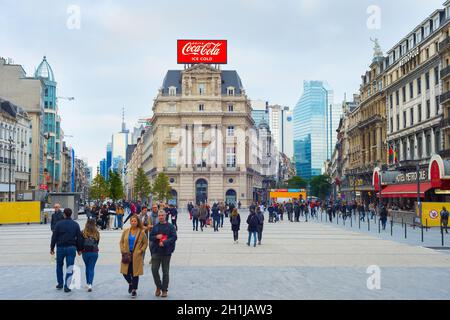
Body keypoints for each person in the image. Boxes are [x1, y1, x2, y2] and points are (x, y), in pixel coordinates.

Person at [50, 208, 83, 293]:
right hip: (71, 248)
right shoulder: (75, 224)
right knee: (70, 267)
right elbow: (79, 238)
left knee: (59, 265)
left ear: (64, 214)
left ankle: (60, 283)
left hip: (60, 248)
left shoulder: (58, 224)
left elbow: (54, 237)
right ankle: (67, 286)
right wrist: (79, 249)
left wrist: (52, 248)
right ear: (71, 214)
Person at [149, 210, 178, 298]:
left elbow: (174, 237)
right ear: (158, 216)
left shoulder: (170, 226)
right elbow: (150, 237)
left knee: (165, 272)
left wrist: (165, 242)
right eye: (159, 215)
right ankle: (158, 286)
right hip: (156, 251)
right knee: (154, 270)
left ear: (165, 216)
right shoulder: (155, 227)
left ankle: (164, 290)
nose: (161, 217)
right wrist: (156, 237)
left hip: (166, 252)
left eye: (162, 215)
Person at [120, 215, 148, 298]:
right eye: (132, 221)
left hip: (136, 255)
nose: (133, 222)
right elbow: (121, 242)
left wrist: (141, 250)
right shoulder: (126, 231)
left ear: (137, 222)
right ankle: (130, 283)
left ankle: (134, 290)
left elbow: (145, 243)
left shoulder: (141, 232)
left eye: (135, 221)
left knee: (135, 273)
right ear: (130, 222)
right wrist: (122, 250)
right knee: (125, 272)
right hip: (126, 254)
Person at [81, 219, 100, 292]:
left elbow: (80, 242)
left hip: (85, 252)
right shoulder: (96, 232)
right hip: (94, 252)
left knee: (87, 267)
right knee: (91, 268)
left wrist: (79, 250)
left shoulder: (83, 232)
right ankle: (90, 284)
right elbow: (97, 242)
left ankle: (87, 282)